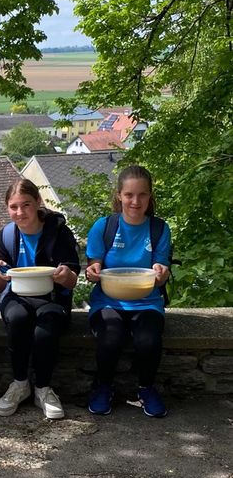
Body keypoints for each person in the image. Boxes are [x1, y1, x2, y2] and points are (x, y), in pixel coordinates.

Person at [85, 165, 172, 417]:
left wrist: (160, 272)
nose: (136, 201)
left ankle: (146, 388)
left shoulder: (158, 229)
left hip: (147, 302)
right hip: (108, 301)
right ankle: (103, 387)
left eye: (142, 195)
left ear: (150, 196)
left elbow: (160, 269)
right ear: (119, 196)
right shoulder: (104, 227)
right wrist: (93, 271)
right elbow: (94, 267)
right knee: (110, 337)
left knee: (148, 340)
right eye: (129, 195)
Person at [0, 179, 80, 420]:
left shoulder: (58, 232)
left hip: (52, 297)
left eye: (26, 205)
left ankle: (43, 388)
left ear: (38, 202)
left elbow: (72, 281)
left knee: (45, 328)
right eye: (13, 207)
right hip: (16, 298)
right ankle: (20, 383)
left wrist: (65, 275)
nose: (20, 213)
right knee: (17, 319)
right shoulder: (7, 235)